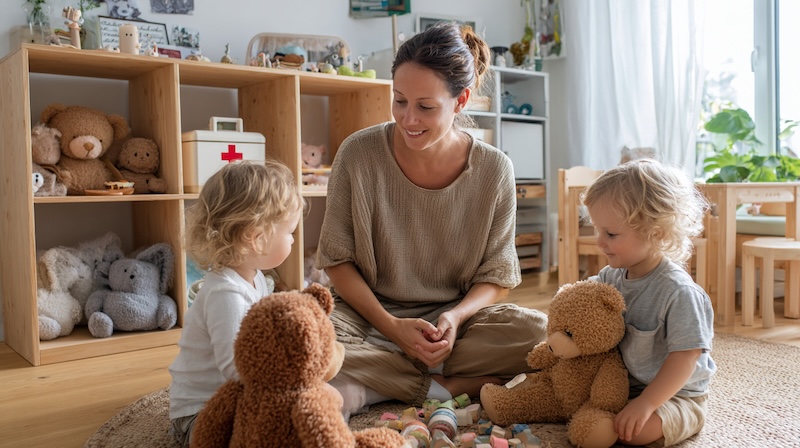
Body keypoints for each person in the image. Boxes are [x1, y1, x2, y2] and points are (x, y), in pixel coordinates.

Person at [315, 21, 548, 419]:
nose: (408, 119)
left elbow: (496, 276)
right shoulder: (358, 153)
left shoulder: (494, 169)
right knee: (305, 337)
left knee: (540, 334)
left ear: (461, 101)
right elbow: (337, 261)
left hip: (453, 325)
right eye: (399, 101)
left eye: (425, 107)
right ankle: (441, 386)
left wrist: (455, 317)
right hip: (368, 316)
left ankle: (377, 379)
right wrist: (392, 327)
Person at [168, 160, 304, 447]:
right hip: (201, 414)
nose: (293, 240)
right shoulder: (225, 293)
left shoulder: (256, 279)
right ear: (256, 237)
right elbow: (235, 367)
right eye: (289, 232)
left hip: (234, 398)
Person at [584, 159, 716, 446]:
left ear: (656, 233)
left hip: (676, 395)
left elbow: (686, 358)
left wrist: (646, 404)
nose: (599, 242)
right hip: (624, 385)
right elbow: (583, 308)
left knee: (632, 433)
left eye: (611, 234)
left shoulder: (678, 291)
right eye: (597, 230)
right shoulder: (610, 276)